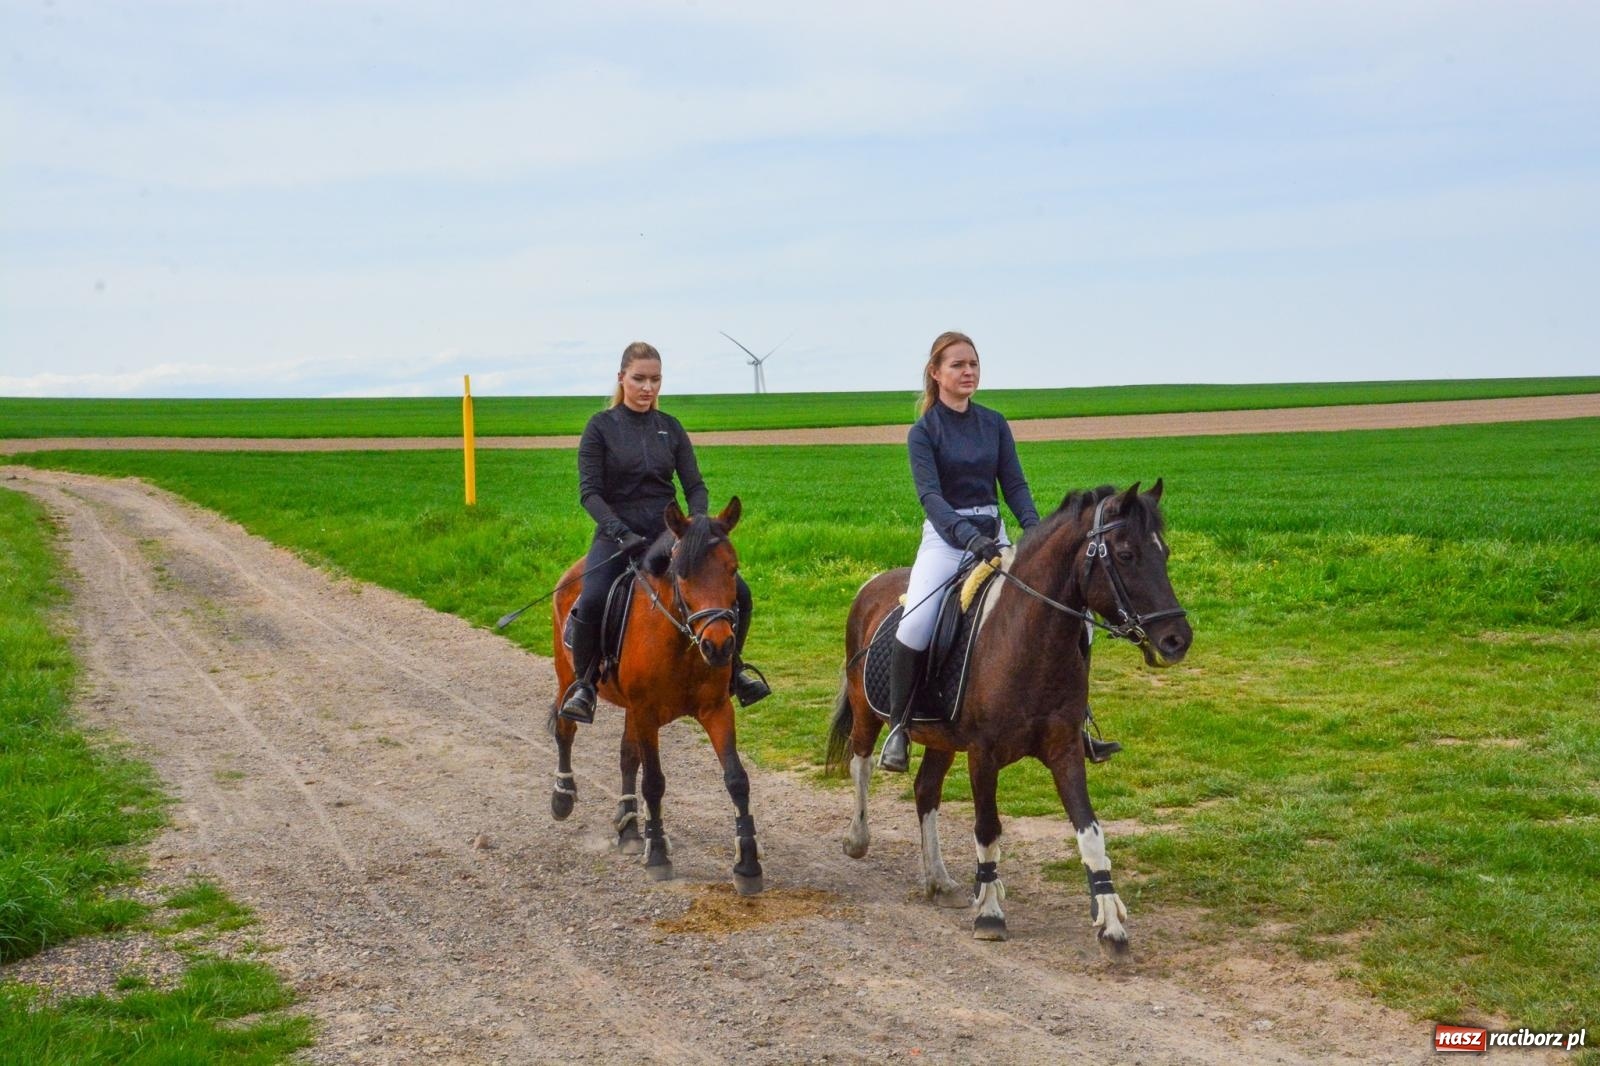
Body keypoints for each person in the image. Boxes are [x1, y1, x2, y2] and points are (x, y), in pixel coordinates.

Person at [879, 331, 1120, 771]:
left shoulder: (994, 423)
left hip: (996, 533)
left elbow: (1014, 485)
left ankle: (1077, 721)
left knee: (1075, 618)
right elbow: (931, 498)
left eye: (973, 363)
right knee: (915, 622)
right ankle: (898, 728)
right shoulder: (923, 433)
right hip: (947, 540)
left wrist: (1035, 531)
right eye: (957, 365)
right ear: (936, 373)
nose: (968, 371)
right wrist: (966, 537)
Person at [558, 342, 770, 723]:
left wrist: (697, 528)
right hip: (616, 532)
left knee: (741, 593)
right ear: (621, 378)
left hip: (668, 532)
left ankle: (734, 671)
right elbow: (590, 493)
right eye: (639, 379)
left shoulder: (669, 428)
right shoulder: (600, 427)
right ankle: (586, 685)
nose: (647, 388)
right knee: (590, 600)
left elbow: (695, 486)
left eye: (655, 379)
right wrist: (620, 533)